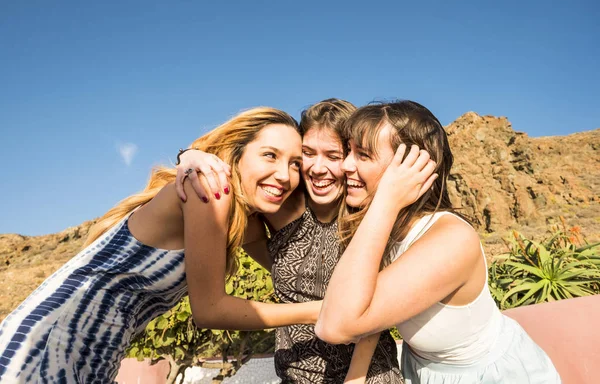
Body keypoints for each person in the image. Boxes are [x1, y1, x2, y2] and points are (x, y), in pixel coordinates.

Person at [0, 107, 322, 384]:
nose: (284, 174)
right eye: (270, 155)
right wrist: (316, 312)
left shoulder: (242, 221)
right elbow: (210, 310)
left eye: (296, 164)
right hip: (52, 336)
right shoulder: (209, 190)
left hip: (99, 345)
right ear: (237, 153)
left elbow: (293, 272)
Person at [315, 101, 561, 383]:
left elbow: (333, 327)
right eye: (349, 151)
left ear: (411, 166)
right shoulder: (386, 228)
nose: (345, 165)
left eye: (363, 155)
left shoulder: (451, 240)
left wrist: (387, 198)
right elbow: (364, 305)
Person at [176, 99, 403, 383]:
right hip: (294, 375)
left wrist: (355, 378)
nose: (318, 168)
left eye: (332, 156)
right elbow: (238, 168)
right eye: (308, 153)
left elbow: (373, 311)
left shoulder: (366, 214)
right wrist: (189, 155)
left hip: (364, 376)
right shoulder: (280, 202)